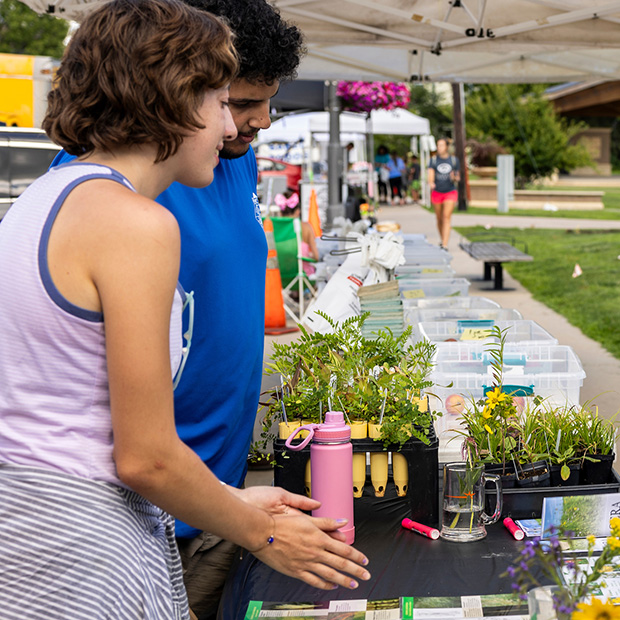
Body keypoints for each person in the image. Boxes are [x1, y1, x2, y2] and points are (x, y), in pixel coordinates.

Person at [0, 1, 370, 619]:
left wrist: (233, 502)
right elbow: (144, 456)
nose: (234, 128)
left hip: (41, 537)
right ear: (170, 98)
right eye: (222, 102)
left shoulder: (48, 198)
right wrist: (267, 536)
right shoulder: (135, 223)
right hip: (86, 554)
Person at [275, 190, 319, 276]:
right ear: (298, 211)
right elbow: (316, 256)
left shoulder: (274, 227)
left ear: (281, 212)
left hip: (279, 277)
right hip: (302, 277)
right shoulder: (306, 227)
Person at [427, 137, 461, 248]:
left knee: (446, 217)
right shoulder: (433, 160)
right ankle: (443, 239)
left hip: (450, 191)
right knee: (439, 218)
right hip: (437, 192)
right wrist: (431, 183)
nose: (439, 147)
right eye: (438, 145)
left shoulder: (454, 160)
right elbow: (430, 174)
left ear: (447, 147)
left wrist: (454, 177)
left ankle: (445, 244)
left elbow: (458, 177)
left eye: (441, 145)